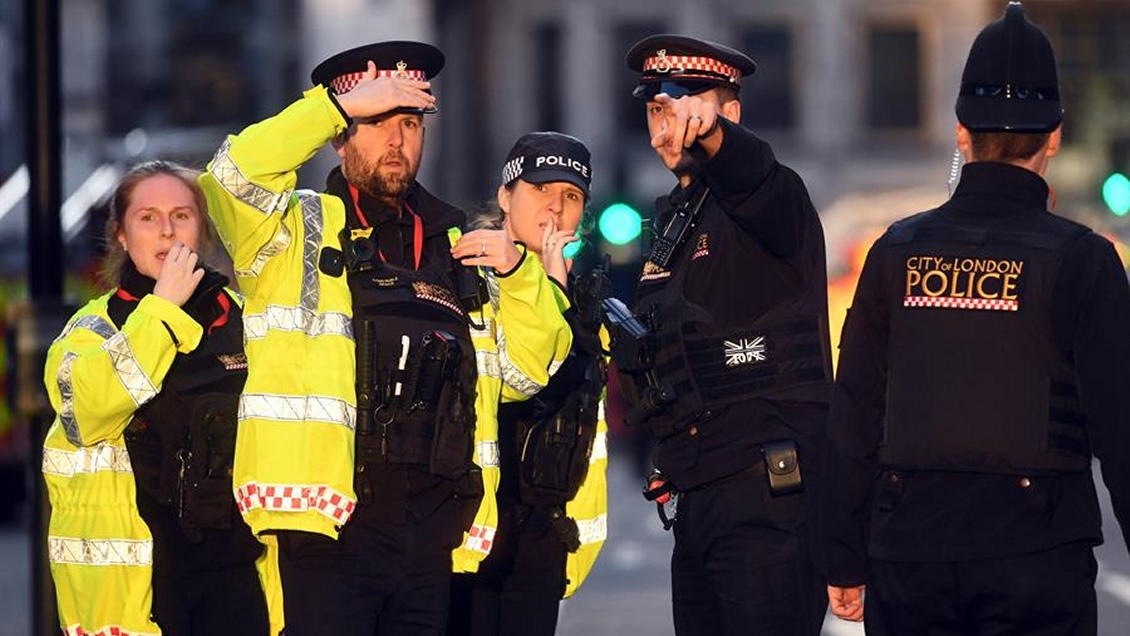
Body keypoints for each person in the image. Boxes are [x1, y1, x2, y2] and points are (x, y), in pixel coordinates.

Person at [199, 41, 573, 635]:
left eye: (408, 122)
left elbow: (527, 372)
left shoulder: (462, 242)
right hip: (327, 526)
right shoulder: (290, 228)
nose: (395, 139)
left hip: (432, 532)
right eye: (373, 122)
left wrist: (520, 275)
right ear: (340, 137)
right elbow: (229, 177)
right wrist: (332, 104)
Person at [823, 3, 1130, 634]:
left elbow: (853, 410)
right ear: (1056, 136)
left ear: (961, 131)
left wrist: (842, 553)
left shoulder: (895, 252)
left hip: (908, 553)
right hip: (1037, 553)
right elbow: (1121, 428)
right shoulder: (1084, 259)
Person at [610, 35, 833, 636]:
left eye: (683, 110)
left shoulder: (767, 198)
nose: (665, 132)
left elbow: (752, 172)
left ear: (727, 114)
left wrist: (714, 138)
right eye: (656, 112)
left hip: (768, 500)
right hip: (700, 496)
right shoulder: (675, 224)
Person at [42, 160, 271, 635]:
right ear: (122, 235)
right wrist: (163, 311)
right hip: (144, 588)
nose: (166, 230)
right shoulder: (91, 330)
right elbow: (89, 412)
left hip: (238, 578)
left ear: (201, 228)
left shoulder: (248, 321)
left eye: (181, 215)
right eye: (147, 217)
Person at [448, 132, 609, 636]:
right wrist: (543, 288)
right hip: (473, 522)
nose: (554, 210)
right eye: (540, 190)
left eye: (571, 196)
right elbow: (520, 380)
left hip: (542, 530)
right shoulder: (467, 278)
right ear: (504, 197)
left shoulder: (585, 302)